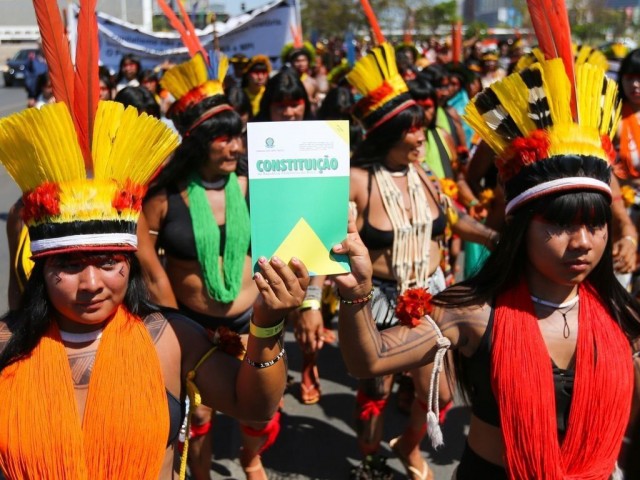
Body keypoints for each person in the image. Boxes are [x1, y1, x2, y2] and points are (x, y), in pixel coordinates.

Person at [0, 7, 304, 480]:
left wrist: (267, 324)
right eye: (70, 264)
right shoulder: (5, 345)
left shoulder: (168, 336)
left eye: (107, 261)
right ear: (39, 268)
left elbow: (252, 406)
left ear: (128, 260)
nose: (91, 283)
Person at [335, 20, 640, 480]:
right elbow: (368, 359)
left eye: (595, 225)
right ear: (521, 227)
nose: (582, 242)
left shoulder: (622, 317)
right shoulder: (473, 313)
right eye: (559, 225)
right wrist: (355, 293)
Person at [344, 42, 497, 480]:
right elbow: (331, 244)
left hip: (430, 294)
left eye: (420, 128)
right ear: (388, 134)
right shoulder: (357, 182)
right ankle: (370, 460)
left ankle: (408, 444)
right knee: (376, 390)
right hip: (380, 302)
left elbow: (455, 221)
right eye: (411, 131)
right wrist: (314, 303)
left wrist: (497, 237)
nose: (420, 137)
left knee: (442, 391)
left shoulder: (426, 177)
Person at [138, 51, 281, 480]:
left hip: (255, 321)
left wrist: (306, 306)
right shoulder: (164, 199)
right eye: (225, 139)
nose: (237, 147)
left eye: (238, 137)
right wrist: (176, 328)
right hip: (191, 326)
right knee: (197, 416)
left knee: (260, 409)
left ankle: (251, 458)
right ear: (199, 141)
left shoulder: (255, 187)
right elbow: (151, 271)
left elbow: (294, 243)